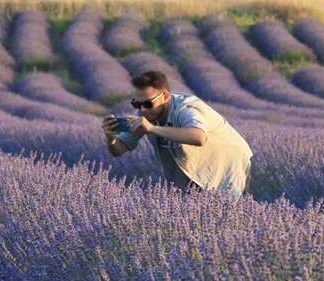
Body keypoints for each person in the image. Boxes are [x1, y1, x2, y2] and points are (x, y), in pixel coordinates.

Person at [102, 70, 253, 196]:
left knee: (226, 218)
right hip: (192, 168)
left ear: (166, 96)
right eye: (136, 103)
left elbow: (199, 137)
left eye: (148, 103)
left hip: (228, 163)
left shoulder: (186, 107)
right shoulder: (145, 115)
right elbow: (119, 149)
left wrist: (152, 129)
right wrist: (110, 137)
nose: (142, 109)